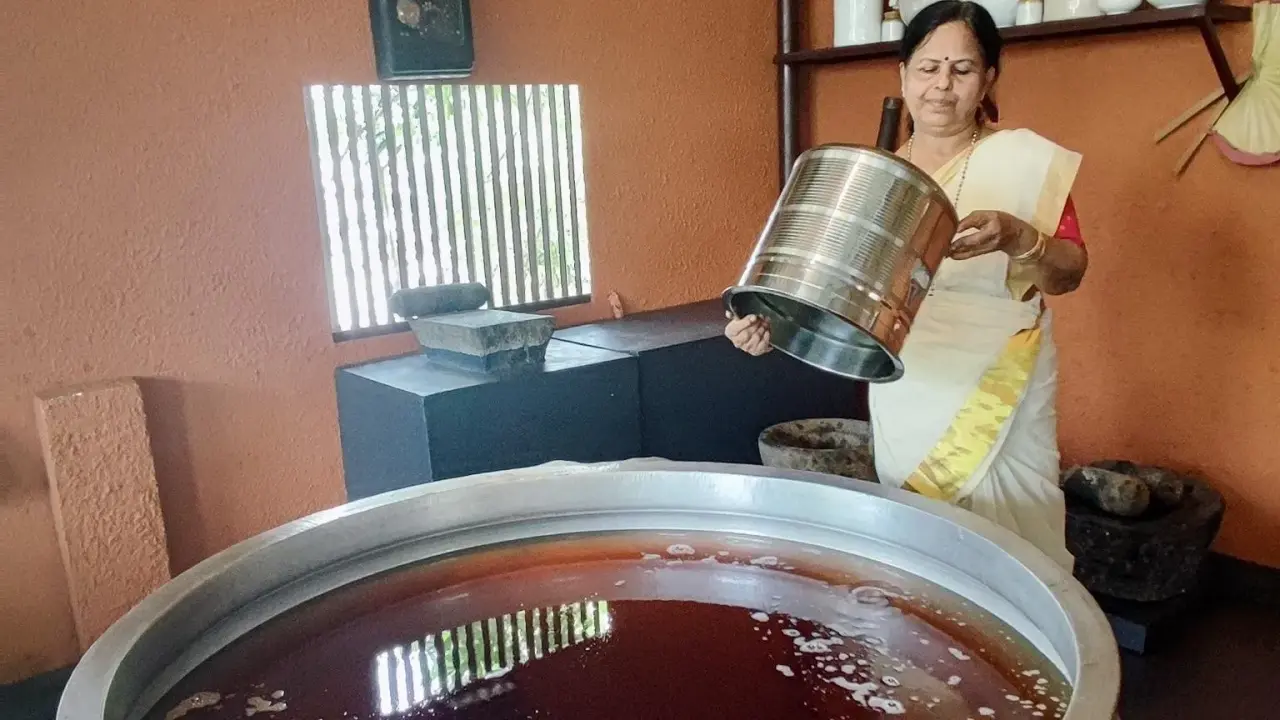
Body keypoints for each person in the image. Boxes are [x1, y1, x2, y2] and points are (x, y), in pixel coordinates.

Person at [725, 0, 1087, 570]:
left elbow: (1069, 273)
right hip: (909, 385)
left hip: (1002, 378)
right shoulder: (874, 178)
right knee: (921, 547)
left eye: (962, 70)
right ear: (903, 73)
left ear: (988, 77)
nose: (942, 85)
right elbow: (829, 293)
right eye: (927, 67)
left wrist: (1019, 236)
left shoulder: (1025, 162)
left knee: (1015, 536)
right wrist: (771, 324)